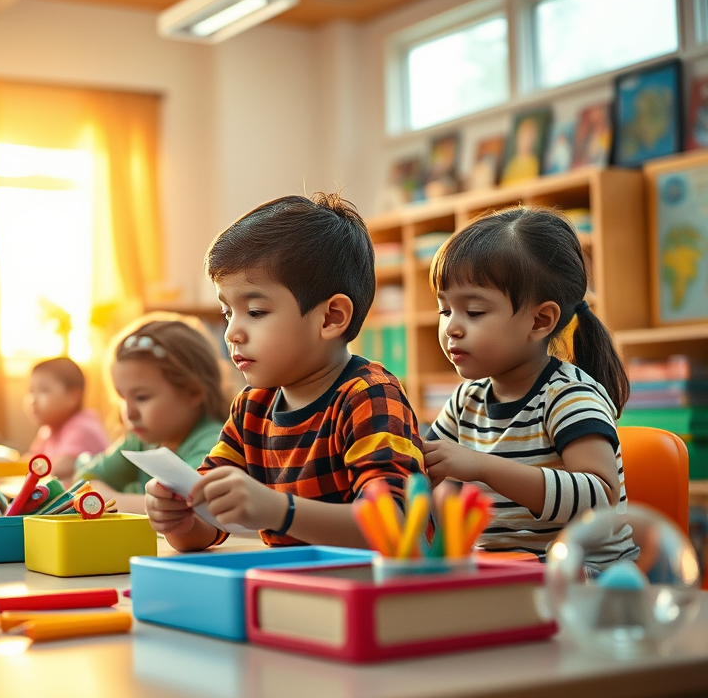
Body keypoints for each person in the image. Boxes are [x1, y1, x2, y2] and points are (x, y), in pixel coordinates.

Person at [146, 193, 426, 551]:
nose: (232, 332)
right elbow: (206, 529)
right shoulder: (252, 406)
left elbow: (395, 526)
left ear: (331, 318)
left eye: (256, 312)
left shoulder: (368, 396)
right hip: (292, 589)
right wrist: (180, 516)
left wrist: (280, 511)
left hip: (378, 593)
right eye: (227, 312)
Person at [423, 206, 637, 568]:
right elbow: (431, 470)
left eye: (473, 312)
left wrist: (483, 467)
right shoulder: (465, 401)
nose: (451, 328)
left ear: (540, 321)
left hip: (586, 584)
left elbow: (600, 500)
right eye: (445, 310)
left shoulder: (569, 397)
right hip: (503, 579)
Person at [75, 315, 230, 513]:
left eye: (141, 397)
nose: (128, 413)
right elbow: (83, 480)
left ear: (193, 393)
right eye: (122, 398)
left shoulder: (215, 445)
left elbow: (189, 508)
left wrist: (101, 500)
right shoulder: (140, 442)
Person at [27, 357, 110, 481]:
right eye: (30, 391)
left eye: (43, 390)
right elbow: (30, 460)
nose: (33, 399)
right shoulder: (48, 430)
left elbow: (59, 468)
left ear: (73, 396)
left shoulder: (82, 426)